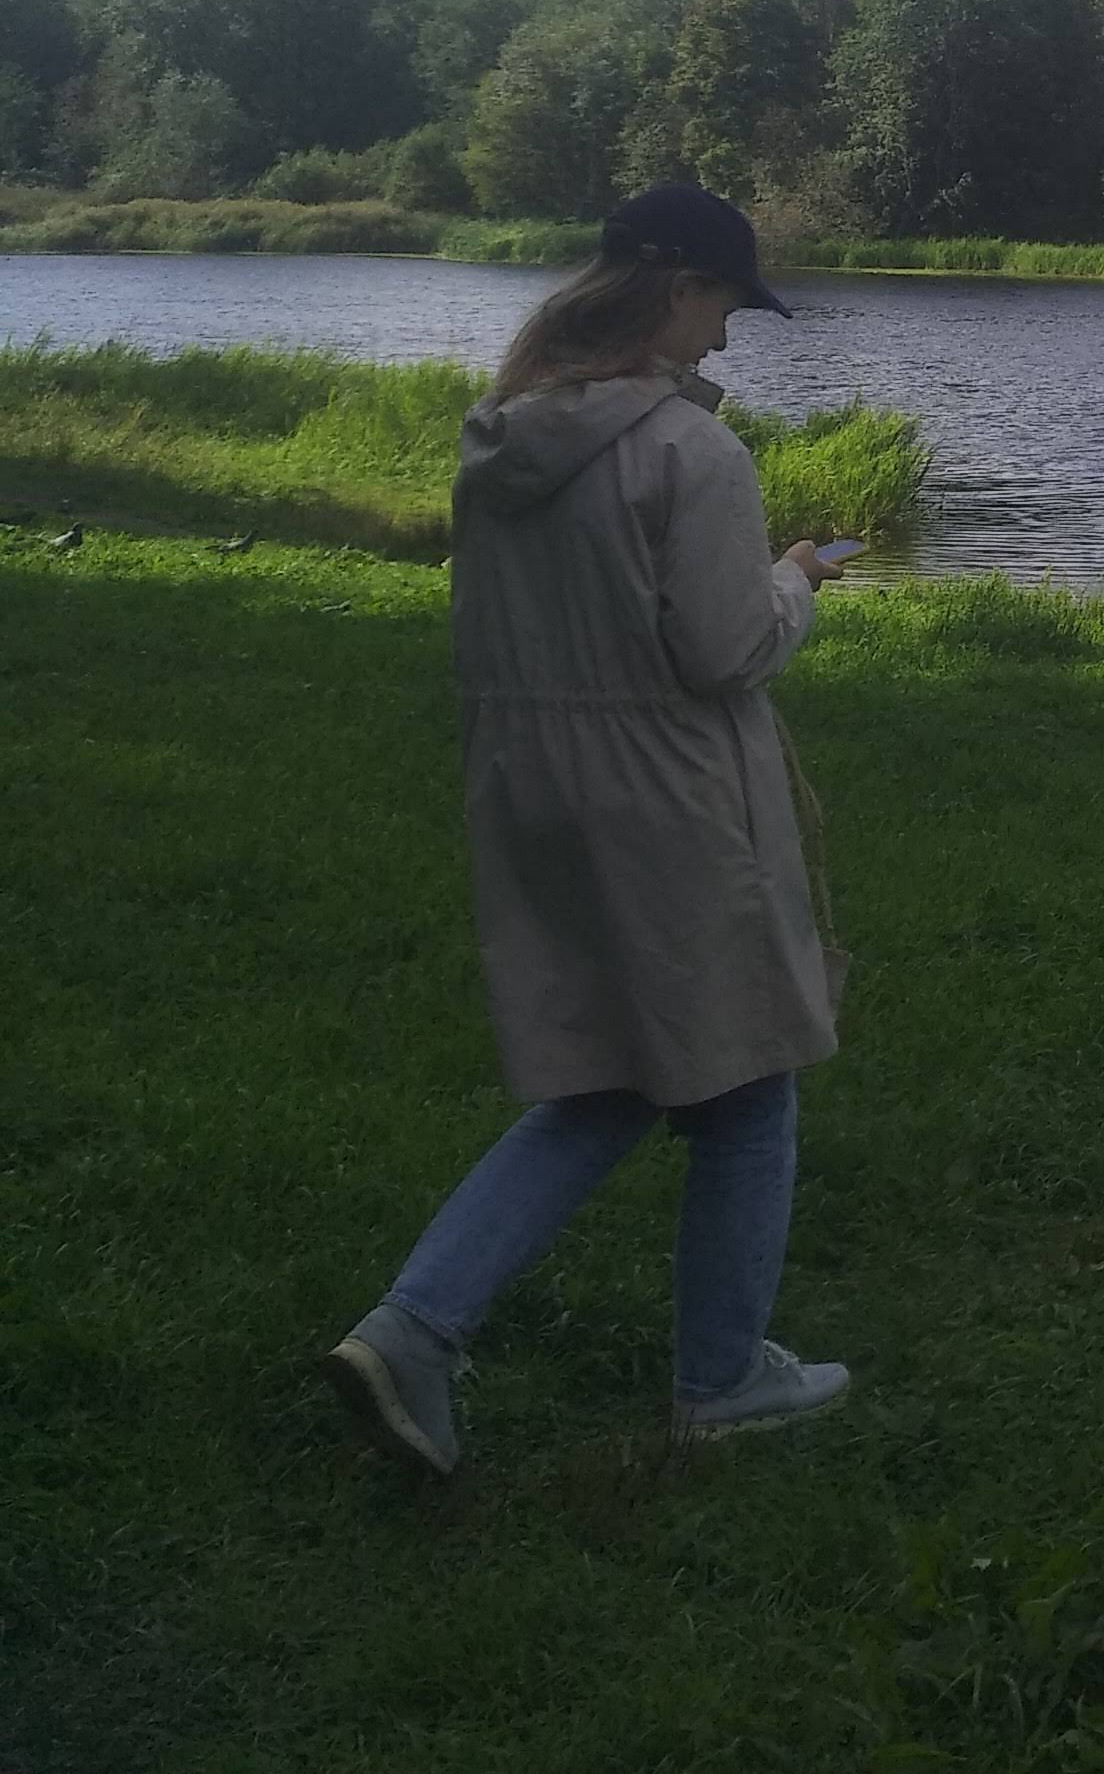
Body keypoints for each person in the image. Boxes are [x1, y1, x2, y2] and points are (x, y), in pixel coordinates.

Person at [319, 184, 854, 1478]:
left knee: (614, 1074)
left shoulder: (502, 433)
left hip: (536, 789)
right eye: (724, 307)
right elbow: (725, 652)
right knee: (747, 1080)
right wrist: (797, 579)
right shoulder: (691, 454)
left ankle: (411, 1331)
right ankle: (723, 1380)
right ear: (678, 291)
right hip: (667, 803)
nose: (725, 336)